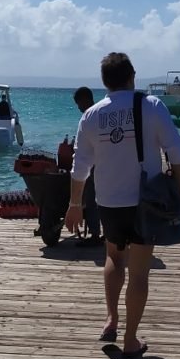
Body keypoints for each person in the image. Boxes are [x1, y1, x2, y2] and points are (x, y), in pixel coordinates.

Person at [65, 52, 180, 358]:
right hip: (145, 201)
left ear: (105, 82)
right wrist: (176, 188)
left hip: (108, 201)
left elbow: (79, 166)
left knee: (114, 258)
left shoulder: (91, 115)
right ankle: (130, 340)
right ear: (133, 75)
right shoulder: (152, 106)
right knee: (139, 272)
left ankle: (111, 319)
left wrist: (74, 204)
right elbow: (178, 154)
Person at [72, 86, 102, 246]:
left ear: (85, 100)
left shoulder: (88, 116)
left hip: (93, 165)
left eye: (79, 104)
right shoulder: (101, 113)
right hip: (105, 163)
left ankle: (95, 235)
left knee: (90, 200)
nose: (79, 108)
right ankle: (107, 232)